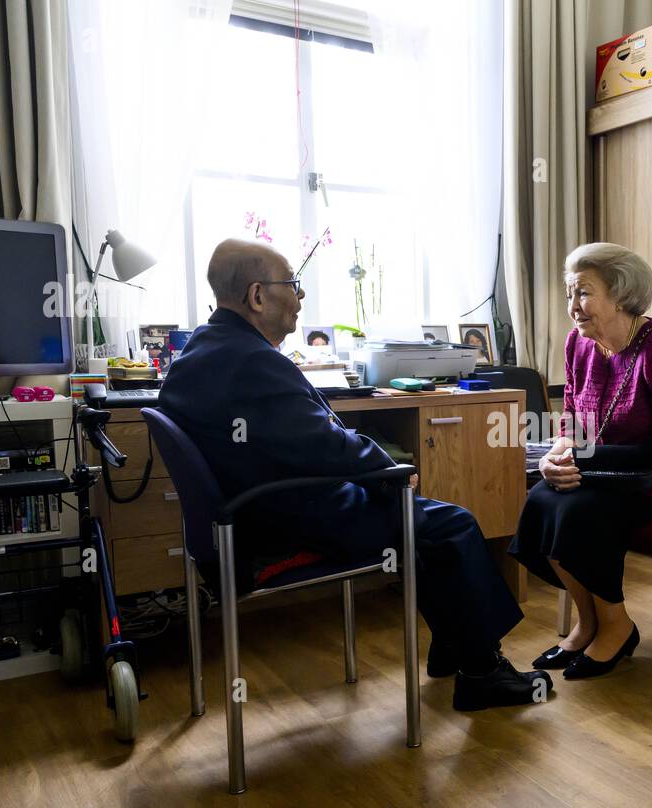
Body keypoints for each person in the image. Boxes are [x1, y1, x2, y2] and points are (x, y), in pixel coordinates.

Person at [161, 239, 551, 711]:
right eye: (293, 284)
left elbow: (300, 440)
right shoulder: (253, 362)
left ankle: (460, 648)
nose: (300, 297)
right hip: (286, 523)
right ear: (258, 296)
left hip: (246, 517)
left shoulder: (198, 352)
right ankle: (484, 672)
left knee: (417, 521)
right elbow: (324, 445)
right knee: (452, 524)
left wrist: (377, 474)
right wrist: (390, 470)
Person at [509, 242, 652, 680]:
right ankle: (589, 624)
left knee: (581, 510)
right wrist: (556, 457)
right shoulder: (579, 346)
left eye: (583, 293)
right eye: (569, 294)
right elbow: (571, 422)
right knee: (542, 497)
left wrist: (583, 461)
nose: (573, 307)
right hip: (605, 470)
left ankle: (617, 626)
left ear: (621, 293)